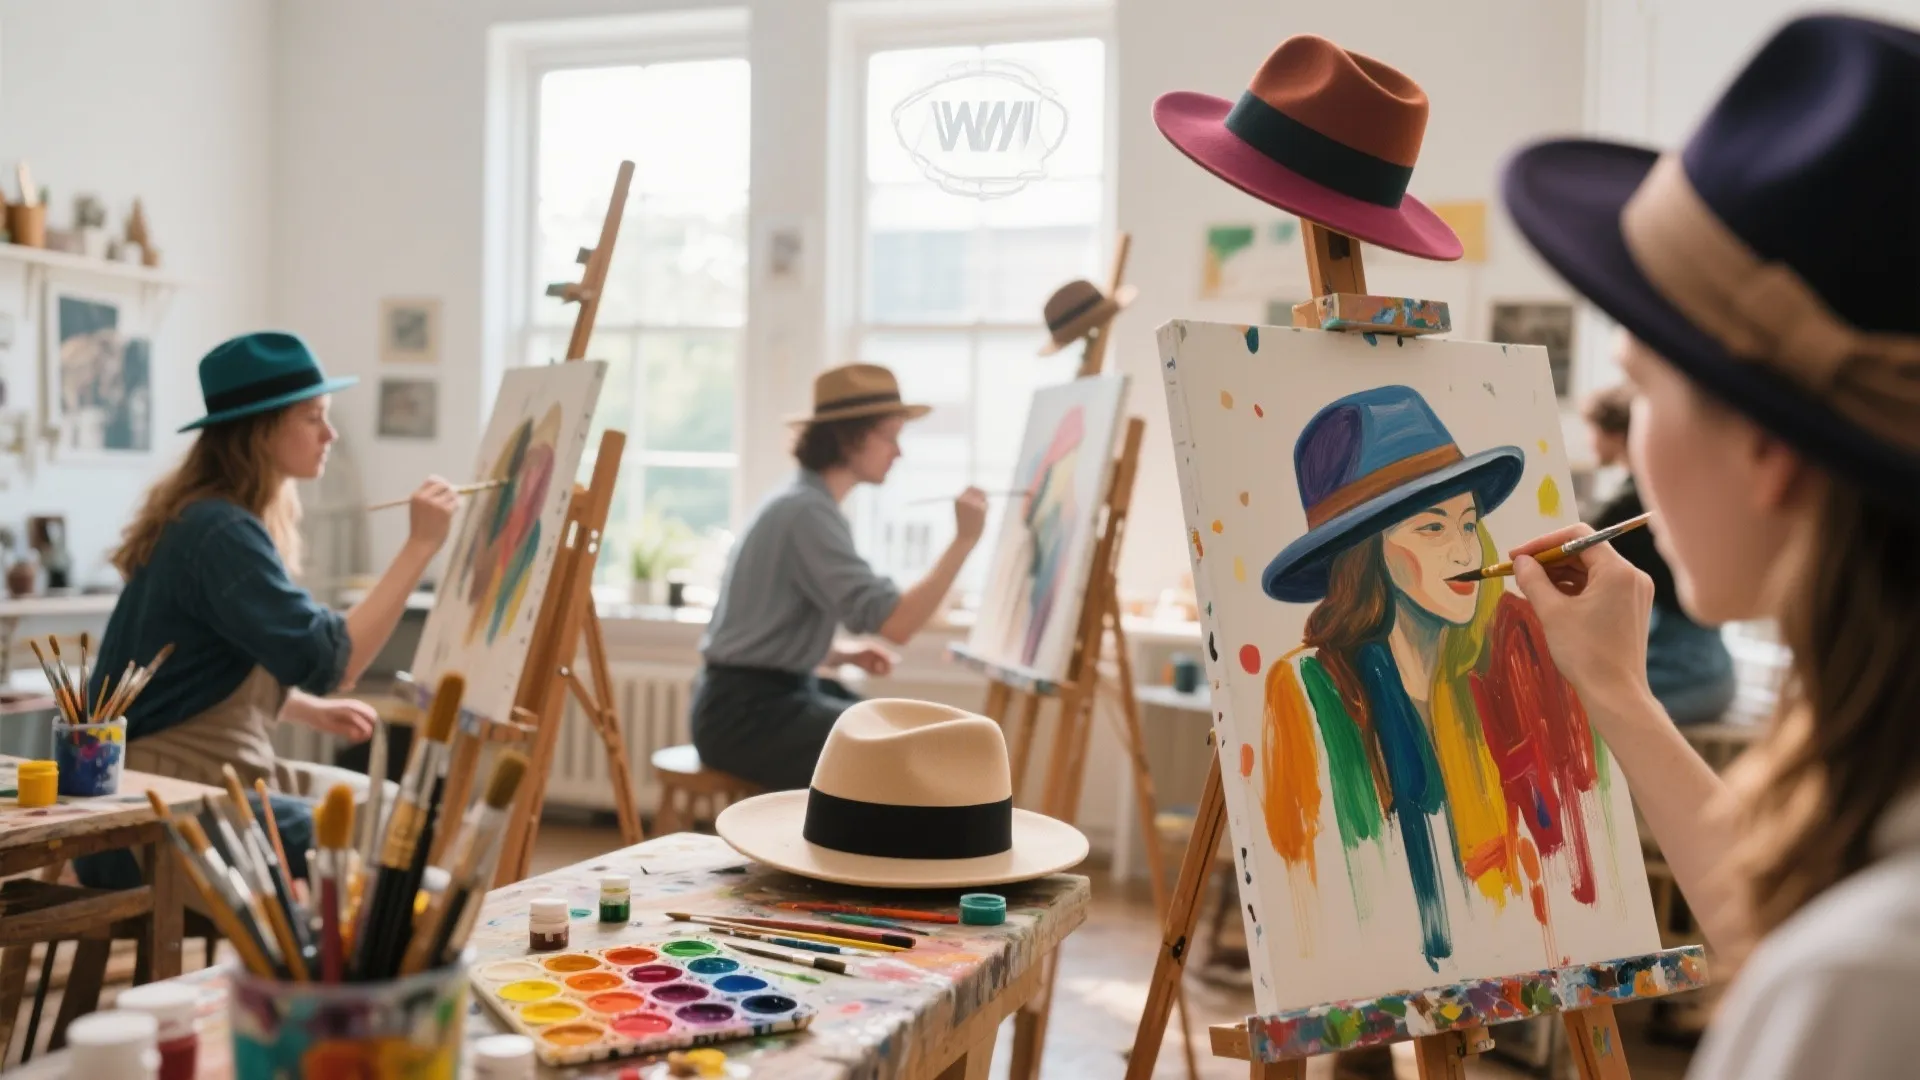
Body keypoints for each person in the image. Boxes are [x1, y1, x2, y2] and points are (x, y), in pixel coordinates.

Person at [1501, 14, 1920, 1077]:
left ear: (1769, 450)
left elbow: (1828, 962)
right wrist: (1613, 691)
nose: (1633, 426)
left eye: (1641, 383)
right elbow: (1792, 917)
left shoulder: (1869, 978)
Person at [76, 332, 459, 889]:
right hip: (154, 806)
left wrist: (303, 709)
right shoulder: (219, 531)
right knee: (397, 846)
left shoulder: (207, 519)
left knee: (398, 810)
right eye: (313, 418)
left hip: (193, 779)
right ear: (260, 429)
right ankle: (342, 971)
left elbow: (199, 670)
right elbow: (334, 662)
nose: (330, 434)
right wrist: (419, 547)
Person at [1259, 385, 1598, 971]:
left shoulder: (1506, 662)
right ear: (1368, 554)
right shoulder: (1310, 691)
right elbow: (1320, 895)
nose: (1465, 550)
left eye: (1468, 524)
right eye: (1432, 530)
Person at [692, 363, 988, 791]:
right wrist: (963, 541)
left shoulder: (801, 502)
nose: (898, 452)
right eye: (889, 437)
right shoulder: (806, 512)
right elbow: (898, 625)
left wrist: (840, 654)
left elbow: (757, 632)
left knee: (888, 729)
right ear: (848, 438)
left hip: (753, 700)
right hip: (744, 715)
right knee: (894, 750)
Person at [1582, 384, 1736, 724]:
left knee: (1580, 701)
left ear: (1612, 433)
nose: (1589, 442)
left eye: (1592, 432)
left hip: (1687, 672)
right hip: (1708, 668)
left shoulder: (1627, 505)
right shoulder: (1638, 498)